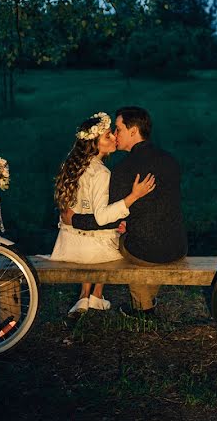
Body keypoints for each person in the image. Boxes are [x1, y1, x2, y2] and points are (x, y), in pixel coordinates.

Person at [62, 106, 186, 317]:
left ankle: (142, 308)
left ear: (133, 130)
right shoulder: (170, 159)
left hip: (147, 251)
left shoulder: (123, 169)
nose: (115, 135)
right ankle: (131, 301)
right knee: (147, 233)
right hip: (178, 246)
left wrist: (74, 220)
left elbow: (108, 221)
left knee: (122, 241)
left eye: (118, 129)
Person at [50, 112, 157, 316]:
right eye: (108, 135)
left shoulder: (71, 167)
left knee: (99, 223)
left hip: (67, 246)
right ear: (94, 144)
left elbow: (70, 212)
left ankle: (86, 296)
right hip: (95, 253)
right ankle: (96, 295)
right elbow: (101, 217)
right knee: (117, 231)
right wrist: (130, 200)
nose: (114, 137)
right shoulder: (102, 174)